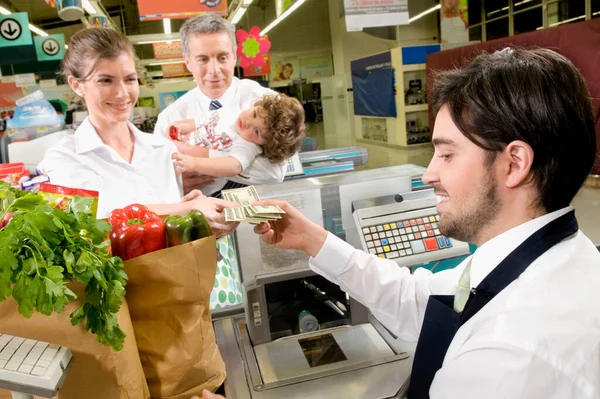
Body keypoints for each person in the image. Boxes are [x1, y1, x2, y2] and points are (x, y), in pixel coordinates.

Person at [250, 48, 600, 398]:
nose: (430, 174)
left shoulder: (508, 356)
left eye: (447, 154)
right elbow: (420, 300)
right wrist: (312, 239)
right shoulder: (545, 255)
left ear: (514, 164)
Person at [40, 27, 238, 235]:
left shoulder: (163, 149)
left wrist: (203, 222)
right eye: (105, 80)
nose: (122, 93)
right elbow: (98, 222)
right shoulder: (64, 157)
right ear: (77, 85)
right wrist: (187, 209)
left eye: (129, 79)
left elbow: (173, 230)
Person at [154, 13, 286, 195]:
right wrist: (174, 184)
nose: (214, 70)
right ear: (188, 62)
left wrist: (200, 158)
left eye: (222, 57)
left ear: (234, 57)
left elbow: (274, 172)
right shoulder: (171, 117)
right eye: (203, 59)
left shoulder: (266, 103)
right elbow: (158, 177)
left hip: (256, 206)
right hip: (199, 211)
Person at [170, 94, 305, 195]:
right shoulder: (231, 112)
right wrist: (181, 126)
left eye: (256, 131)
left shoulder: (248, 146)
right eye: (254, 114)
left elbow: (234, 166)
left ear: (263, 146)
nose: (247, 122)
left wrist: (193, 162)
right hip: (179, 154)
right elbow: (200, 120)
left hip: (191, 180)